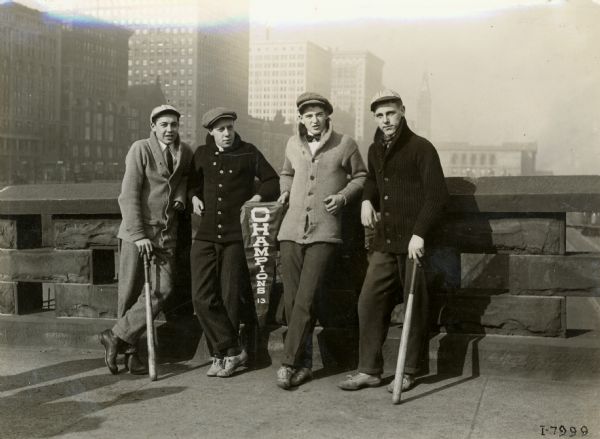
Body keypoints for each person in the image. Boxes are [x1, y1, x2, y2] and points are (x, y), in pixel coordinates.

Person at [338, 89, 449, 392]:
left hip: (415, 244)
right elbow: (374, 179)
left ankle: (409, 370)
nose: (386, 120)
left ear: (402, 111)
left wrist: (420, 233)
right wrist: (365, 200)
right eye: (379, 115)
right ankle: (369, 370)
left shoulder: (421, 148)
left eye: (390, 113)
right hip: (385, 242)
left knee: (416, 306)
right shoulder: (375, 149)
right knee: (369, 301)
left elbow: (437, 195)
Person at [276, 92, 367, 389]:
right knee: (291, 301)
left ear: (328, 116)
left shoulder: (345, 143)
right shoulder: (292, 143)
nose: (313, 120)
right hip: (290, 231)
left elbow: (362, 176)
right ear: (300, 118)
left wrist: (343, 197)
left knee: (306, 297)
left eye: (319, 114)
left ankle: (288, 363)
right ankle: (303, 365)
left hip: (325, 231)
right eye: (308, 115)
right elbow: (286, 172)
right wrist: (286, 191)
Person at [99, 104, 193, 375]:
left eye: (173, 125)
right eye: (163, 125)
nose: (169, 130)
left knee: (162, 288)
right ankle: (131, 356)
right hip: (136, 233)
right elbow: (128, 195)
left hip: (165, 235)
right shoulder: (140, 148)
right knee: (129, 294)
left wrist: (180, 197)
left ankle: (115, 336)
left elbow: (184, 178)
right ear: (153, 126)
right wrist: (139, 235)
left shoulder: (184, 152)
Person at [188, 107, 279, 378]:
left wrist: (257, 199)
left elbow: (272, 180)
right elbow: (191, 183)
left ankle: (220, 356)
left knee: (230, 297)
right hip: (205, 235)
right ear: (211, 132)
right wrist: (193, 196)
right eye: (221, 129)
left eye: (230, 127)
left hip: (236, 237)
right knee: (201, 296)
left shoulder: (248, 151)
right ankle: (232, 349)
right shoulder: (201, 155)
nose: (227, 133)